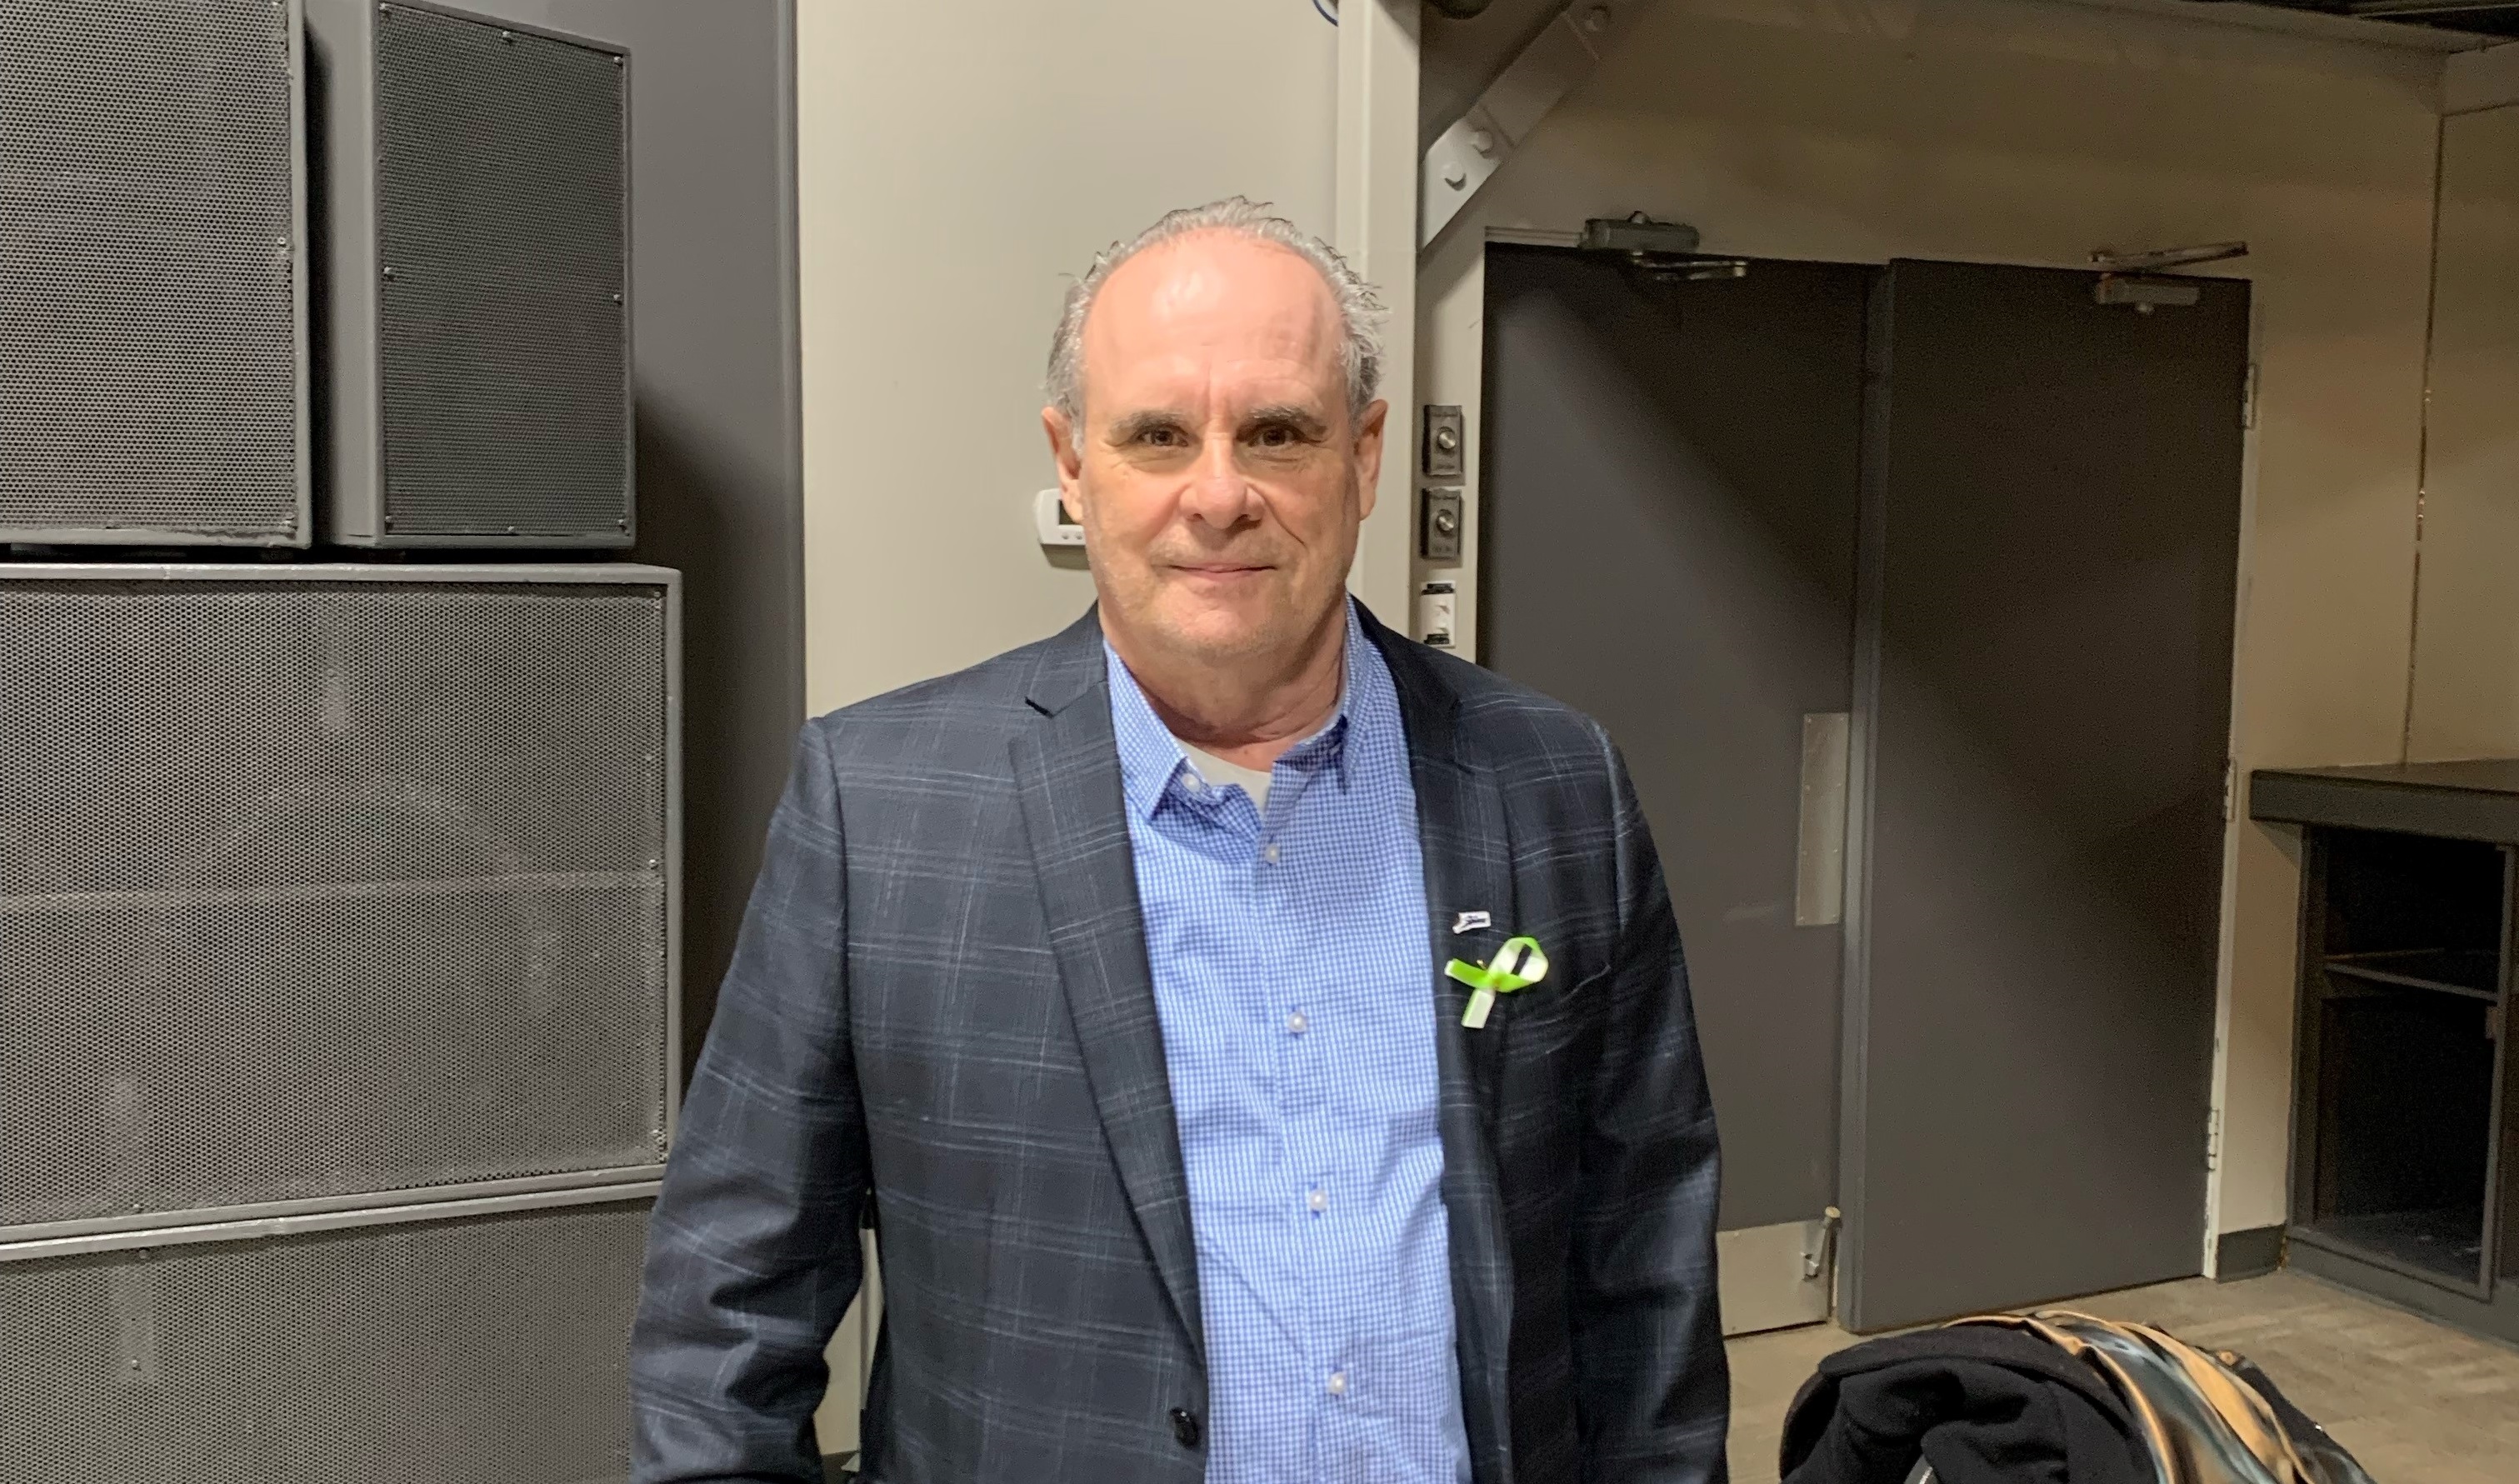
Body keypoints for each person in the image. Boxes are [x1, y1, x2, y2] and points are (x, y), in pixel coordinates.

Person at [629, 197, 1728, 1484]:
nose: (1219, 495)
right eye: (1158, 435)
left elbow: (1646, 1269)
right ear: (1073, 462)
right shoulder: (881, 808)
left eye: (1278, 432)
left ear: (1365, 456)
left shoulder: (1552, 783)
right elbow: (724, 1318)